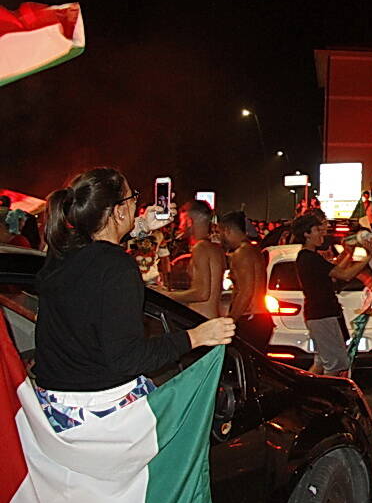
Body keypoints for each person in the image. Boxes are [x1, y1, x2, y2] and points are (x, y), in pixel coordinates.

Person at [35, 168, 233, 431]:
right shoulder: (118, 268)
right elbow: (128, 358)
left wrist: (140, 226)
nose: (137, 205)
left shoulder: (60, 255)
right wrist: (196, 336)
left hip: (55, 408)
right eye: (132, 199)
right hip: (99, 413)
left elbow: (94, 249)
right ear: (118, 211)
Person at [293, 213, 370, 376]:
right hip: (323, 315)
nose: (322, 233)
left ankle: (307, 394)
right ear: (306, 234)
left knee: (322, 362)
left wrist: (349, 254)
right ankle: (326, 398)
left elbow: (335, 272)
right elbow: (345, 275)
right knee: (336, 364)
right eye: (317, 229)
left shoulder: (309, 257)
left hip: (320, 314)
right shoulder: (309, 258)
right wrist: (368, 257)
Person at [162, 200, 226, 318]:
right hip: (212, 317)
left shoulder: (200, 248)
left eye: (181, 221)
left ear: (189, 221)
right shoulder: (216, 249)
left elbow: (202, 293)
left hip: (201, 319)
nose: (180, 226)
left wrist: (166, 295)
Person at [221, 210, 273, 350]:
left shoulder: (242, 253)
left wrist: (230, 320)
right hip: (260, 318)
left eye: (221, 232)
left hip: (251, 319)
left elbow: (245, 291)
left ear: (227, 230)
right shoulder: (254, 250)